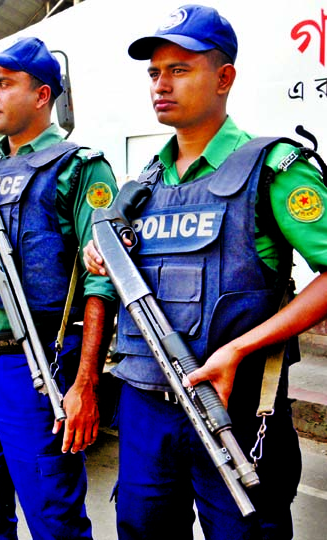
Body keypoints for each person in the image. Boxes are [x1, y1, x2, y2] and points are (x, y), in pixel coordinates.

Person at [82, 5, 327, 539]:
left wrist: (240, 348)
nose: (160, 85)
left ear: (224, 78)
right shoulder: (141, 187)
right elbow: (110, 255)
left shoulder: (273, 167)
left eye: (179, 69)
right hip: (147, 411)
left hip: (234, 410)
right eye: (153, 72)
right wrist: (95, 256)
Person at [0, 37, 119, 540]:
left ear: (41, 95)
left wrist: (85, 384)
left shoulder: (79, 165)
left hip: (37, 365)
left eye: (4, 84)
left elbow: (103, 282)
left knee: (52, 514)